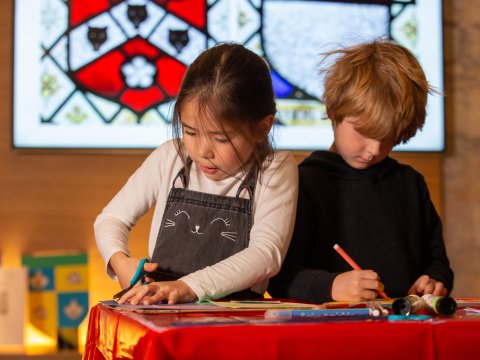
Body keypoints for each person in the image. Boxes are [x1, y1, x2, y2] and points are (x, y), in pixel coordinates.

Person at [94, 43, 298, 305]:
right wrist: (119, 261)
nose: (202, 151)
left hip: (235, 320)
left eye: (221, 139)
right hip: (163, 312)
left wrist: (187, 286)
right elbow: (110, 219)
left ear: (262, 128)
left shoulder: (275, 169)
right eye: (190, 132)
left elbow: (266, 254)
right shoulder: (170, 157)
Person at [268, 39, 454, 303]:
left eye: (388, 137)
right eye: (364, 133)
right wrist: (331, 286)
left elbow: (438, 264)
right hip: (333, 332)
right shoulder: (304, 182)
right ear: (332, 109)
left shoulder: (411, 183)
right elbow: (279, 277)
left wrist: (434, 282)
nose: (374, 150)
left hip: (405, 328)